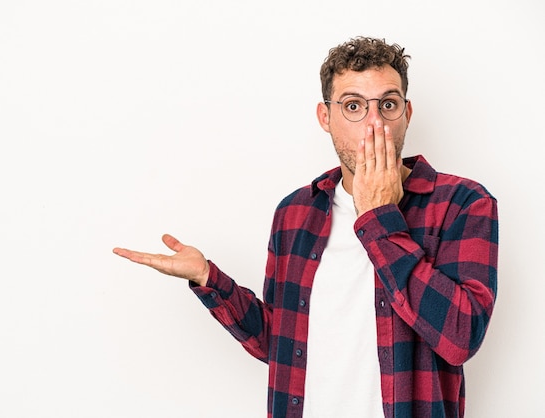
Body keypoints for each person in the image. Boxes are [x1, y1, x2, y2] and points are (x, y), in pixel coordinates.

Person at [113, 36, 498, 418]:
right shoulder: (295, 212)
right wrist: (207, 277)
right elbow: (280, 342)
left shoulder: (462, 203)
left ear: (407, 113)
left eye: (388, 104)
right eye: (353, 106)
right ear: (325, 117)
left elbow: (461, 336)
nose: (374, 123)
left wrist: (379, 216)